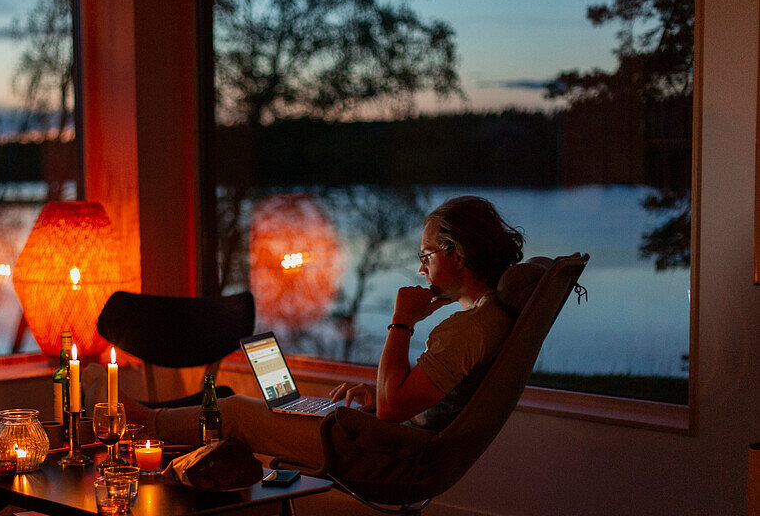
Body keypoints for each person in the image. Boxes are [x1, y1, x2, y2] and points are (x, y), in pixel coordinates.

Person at [120, 195, 525, 468]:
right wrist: (372, 398)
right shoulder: (487, 317)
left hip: (388, 451)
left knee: (239, 412)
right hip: (389, 436)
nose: (421, 268)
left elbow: (391, 409)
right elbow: (407, 401)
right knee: (270, 405)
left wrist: (401, 321)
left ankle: (146, 425)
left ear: (457, 255)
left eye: (426, 255)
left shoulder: (465, 329)